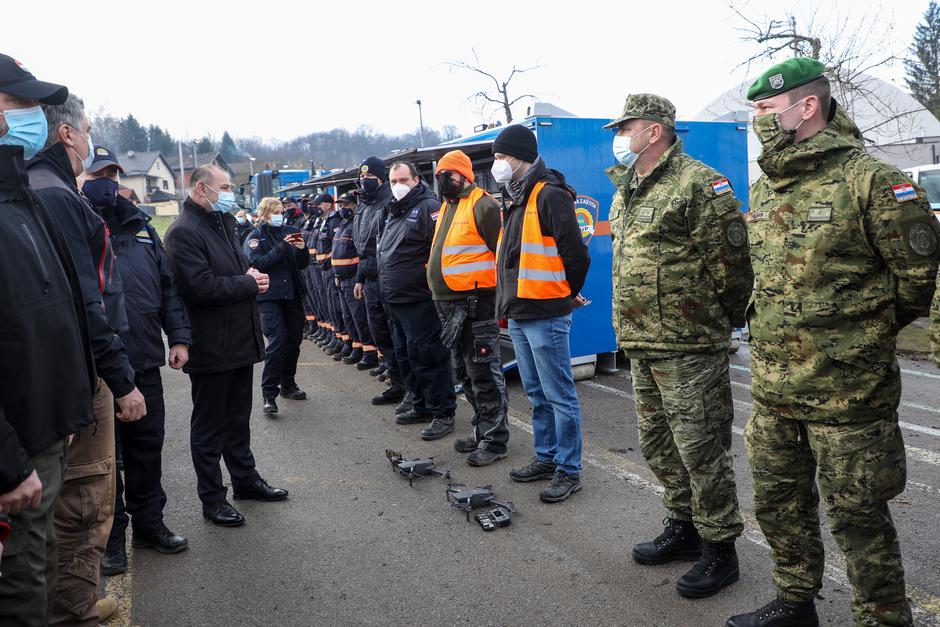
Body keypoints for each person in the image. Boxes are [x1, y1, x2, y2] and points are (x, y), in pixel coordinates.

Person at [727, 58, 940, 627]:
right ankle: (796, 603)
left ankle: (883, 618)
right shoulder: (767, 186)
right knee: (779, 505)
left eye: (767, 109)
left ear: (807, 106)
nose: (759, 121)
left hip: (848, 395)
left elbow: (918, 282)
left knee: (859, 517)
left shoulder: (870, 180)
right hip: (774, 388)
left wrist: (859, 337)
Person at [604, 93, 752, 598]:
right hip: (643, 342)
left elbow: (732, 267)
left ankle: (720, 549)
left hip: (689, 344)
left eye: (628, 127)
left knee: (702, 450)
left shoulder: (698, 183)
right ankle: (684, 529)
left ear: (656, 131)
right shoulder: (627, 188)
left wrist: (720, 323)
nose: (620, 136)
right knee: (661, 447)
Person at [30, 93, 148, 626]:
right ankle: (70, 609)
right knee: (83, 499)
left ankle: (72, 601)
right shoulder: (53, 195)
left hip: (80, 364)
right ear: (69, 135)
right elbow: (86, 300)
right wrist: (121, 380)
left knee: (81, 497)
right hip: (83, 370)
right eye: (87, 130)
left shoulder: (49, 189)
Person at [0, 56, 100, 626]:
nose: (34, 114)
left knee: (38, 565)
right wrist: (8, 463)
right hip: (17, 454)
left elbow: (49, 313)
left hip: (42, 432)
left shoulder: (22, 197)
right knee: (20, 586)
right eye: (19, 103)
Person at [83, 147, 191, 575]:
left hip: (144, 358)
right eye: (100, 173)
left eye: (114, 173)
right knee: (105, 459)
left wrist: (179, 337)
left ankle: (151, 525)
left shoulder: (144, 229)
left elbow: (168, 289)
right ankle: (111, 538)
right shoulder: (77, 224)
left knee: (147, 450)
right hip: (99, 367)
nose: (109, 181)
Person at [165, 165, 289, 528]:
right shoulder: (183, 233)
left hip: (237, 342)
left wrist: (247, 280)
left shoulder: (223, 224)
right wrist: (249, 284)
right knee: (209, 427)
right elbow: (200, 287)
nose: (230, 192)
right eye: (225, 187)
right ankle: (212, 498)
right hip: (210, 347)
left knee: (237, 421)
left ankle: (245, 481)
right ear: (202, 189)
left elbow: (236, 273)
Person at [492, 125, 591, 504]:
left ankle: (568, 469)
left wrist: (565, 293)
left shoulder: (548, 195)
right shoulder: (516, 195)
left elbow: (577, 255)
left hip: (545, 310)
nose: (499, 164)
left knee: (558, 394)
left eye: (502, 157)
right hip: (520, 311)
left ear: (520, 157)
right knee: (536, 392)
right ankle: (547, 457)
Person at [429, 150, 510, 465]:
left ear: (463, 175)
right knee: (464, 371)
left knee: (484, 372)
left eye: (447, 174)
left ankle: (495, 441)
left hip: (475, 305)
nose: (441, 180)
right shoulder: (449, 206)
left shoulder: (483, 204)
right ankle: (482, 431)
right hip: (449, 306)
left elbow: (500, 256)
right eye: (439, 175)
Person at [379, 162, 457, 438]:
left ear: (416, 180)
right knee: (407, 354)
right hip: (397, 297)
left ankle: (443, 411)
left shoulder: (428, 207)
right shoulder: (394, 210)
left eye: (403, 180)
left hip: (420, 297)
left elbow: (439, 251)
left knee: (428, 355)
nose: (398, 186)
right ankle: (420, 403)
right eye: (393, 181)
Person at [244, 196, 311, 415]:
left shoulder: (290, 230)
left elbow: (302, 264)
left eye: (281, 211)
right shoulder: (255, 238)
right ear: (263, 214)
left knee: (294, 341)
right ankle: (268, 393)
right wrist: (283, 246)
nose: (279, 215)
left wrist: (302, 249)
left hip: (292, 294)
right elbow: (259, 263)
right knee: (277, 341)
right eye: (275, 211)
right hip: (269, 296)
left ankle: (288, 383)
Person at [353, 157, 406, 404]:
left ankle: (405, 385)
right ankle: (397, 382)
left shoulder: (388, 202)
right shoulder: (365, 204)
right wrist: (360, 278)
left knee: (396, 334)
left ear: (381, 179)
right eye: (363, 178)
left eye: (370, 178)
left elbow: (382, 246)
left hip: (387, 277)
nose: (365, 182)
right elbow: (363, 247)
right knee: (380, 333)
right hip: (370, 277)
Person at [331, 191, 379, 370]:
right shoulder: (343, 225)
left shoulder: (356, 226)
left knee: (360, 318)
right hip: (341, 279)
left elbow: (361, 254)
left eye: (347, 205)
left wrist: (359, 278)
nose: (343, 208)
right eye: (341, 205)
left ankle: (369, 353)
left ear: (355, 205)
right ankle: (358, 348)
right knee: (348, 317)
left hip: (353, 279)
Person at [314, 194, 348, 357]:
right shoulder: (323, 221)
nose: (315, 207)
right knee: (328, 305)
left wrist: (329, 263)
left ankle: (344, 341)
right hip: (322, 269)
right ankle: (336, 337)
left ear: (327, 205)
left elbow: (335, 248)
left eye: (318, 204)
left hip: (332, 269)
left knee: (337, 307)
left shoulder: (335, 221)